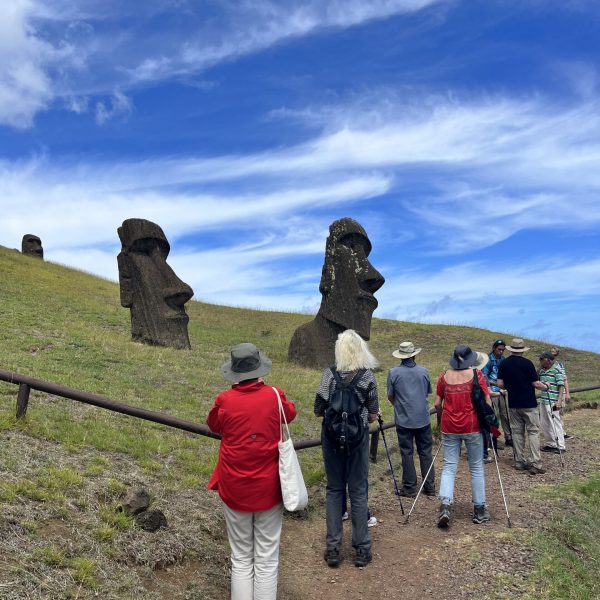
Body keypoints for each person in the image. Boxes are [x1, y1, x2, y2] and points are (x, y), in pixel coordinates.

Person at [207, 343, 297, 600]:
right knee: (267, 557)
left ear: (234, 372)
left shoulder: (225, 400)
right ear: (259, 369)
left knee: (241, 557)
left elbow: (213, 424)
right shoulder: (274, 395)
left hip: (235, 486)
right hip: (269, 486)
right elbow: (290, 414)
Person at [315, 329, 379, 568]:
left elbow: (318, 408)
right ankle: (362, 548)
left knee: (334, 490)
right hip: (357, 439)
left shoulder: (328, 375)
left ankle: (333, 548)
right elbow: (372, 413)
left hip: (331, 440)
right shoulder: (367, 377)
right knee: (359, 491)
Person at [434, 344, 492, 527]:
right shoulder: (477, 376)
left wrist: (443, 415)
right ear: (469, 360)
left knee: (449, 466)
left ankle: (445, 506)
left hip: (449, 426)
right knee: (476, 467)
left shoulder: (444, 377)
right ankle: (479, 510)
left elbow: (437, 404)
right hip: (472, 426)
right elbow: (487, 400)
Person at [387, 341, 435, 497]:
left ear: (400, 356)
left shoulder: (393, 373)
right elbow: (427, 392)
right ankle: (430, 486)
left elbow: (390, 396)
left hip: (403, 419)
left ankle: (409, 487)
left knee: (407, 453)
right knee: (426, 452)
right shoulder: (424, 371)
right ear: (414, 354)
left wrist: (400, 407)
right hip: (423, 418)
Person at [496, 338, 549, 476]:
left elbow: (500, 384)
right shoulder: (527, 364)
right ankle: (536, 462)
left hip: (513, 403)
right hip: (529, 403)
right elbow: (536, 384)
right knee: (533, 431)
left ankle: (519, 461)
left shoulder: (504, 364)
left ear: (511, 349)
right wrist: (546, 386)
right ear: (522, 350)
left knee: (517, 432)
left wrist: (511, 385)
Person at [482, 339, 512, 448]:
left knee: (506, 414)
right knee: (493, 416)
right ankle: (493, 439)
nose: (501, 352)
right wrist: (496, 385)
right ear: (494, 348)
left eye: (503, 350)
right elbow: (485, 378)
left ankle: (509, 438)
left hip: (503, 390)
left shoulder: (503, 359)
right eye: (499, 349)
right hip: (492, 392)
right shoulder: (488, 360)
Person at [538, 351, 567, 453]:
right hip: (544, 400)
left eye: (542, 359)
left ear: (548, 360)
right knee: (544, 423)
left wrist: (559, 401)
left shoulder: (556, 370)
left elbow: (561, 385)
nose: (540, 361)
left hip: (553, 401)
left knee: (555, 422)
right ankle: (550, 444)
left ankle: (561, 446)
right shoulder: (542, 371)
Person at [550, 347, 573, 439]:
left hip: (560, 391)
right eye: (551, 353)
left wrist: (567, 393)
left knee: (559, 412)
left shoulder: (559, 365)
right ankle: (556, 433)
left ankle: (561, 432)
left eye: (554, 353)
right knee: (552, 412)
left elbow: (564, 379)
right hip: (551, 391)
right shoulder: (546, 364)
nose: (552, 355)